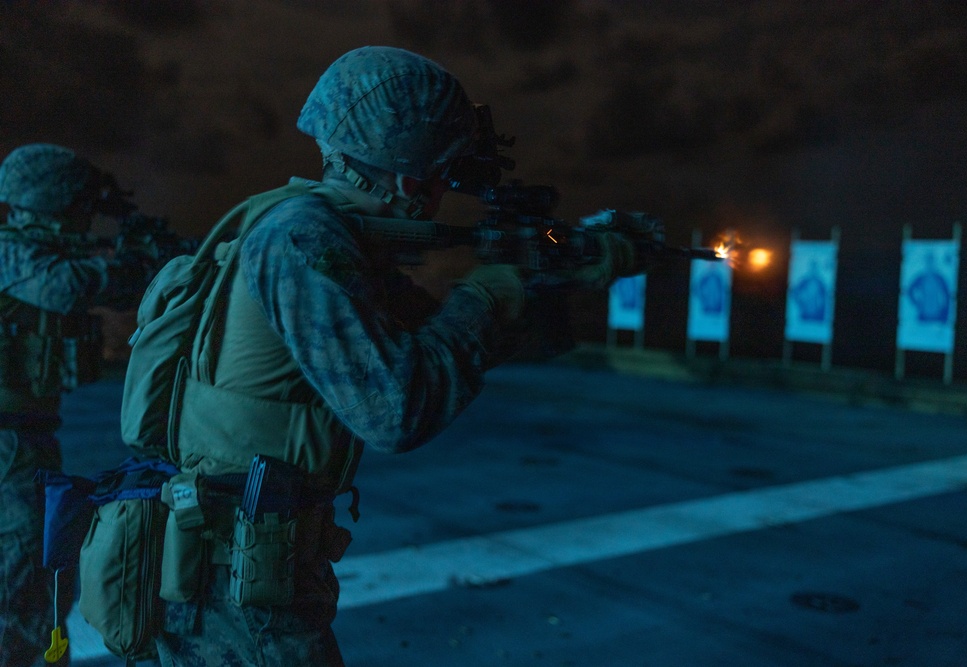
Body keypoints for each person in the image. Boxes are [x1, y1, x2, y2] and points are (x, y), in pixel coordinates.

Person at [145, 46, 639, 666]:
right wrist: (490, 292)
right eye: (442, 176)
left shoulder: (316, 233)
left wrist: (566, 274)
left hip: (250, 571)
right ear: (412, 181)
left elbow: (436, 336)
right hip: (237, 587)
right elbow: (396, 409)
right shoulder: (303, 239)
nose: (441, 195)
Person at [0, 143, 156, 667]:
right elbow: (76, 286)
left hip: (21, 441)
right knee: (30, 587)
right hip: (10, 448)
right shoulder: (17, 255)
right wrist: (148, 264)